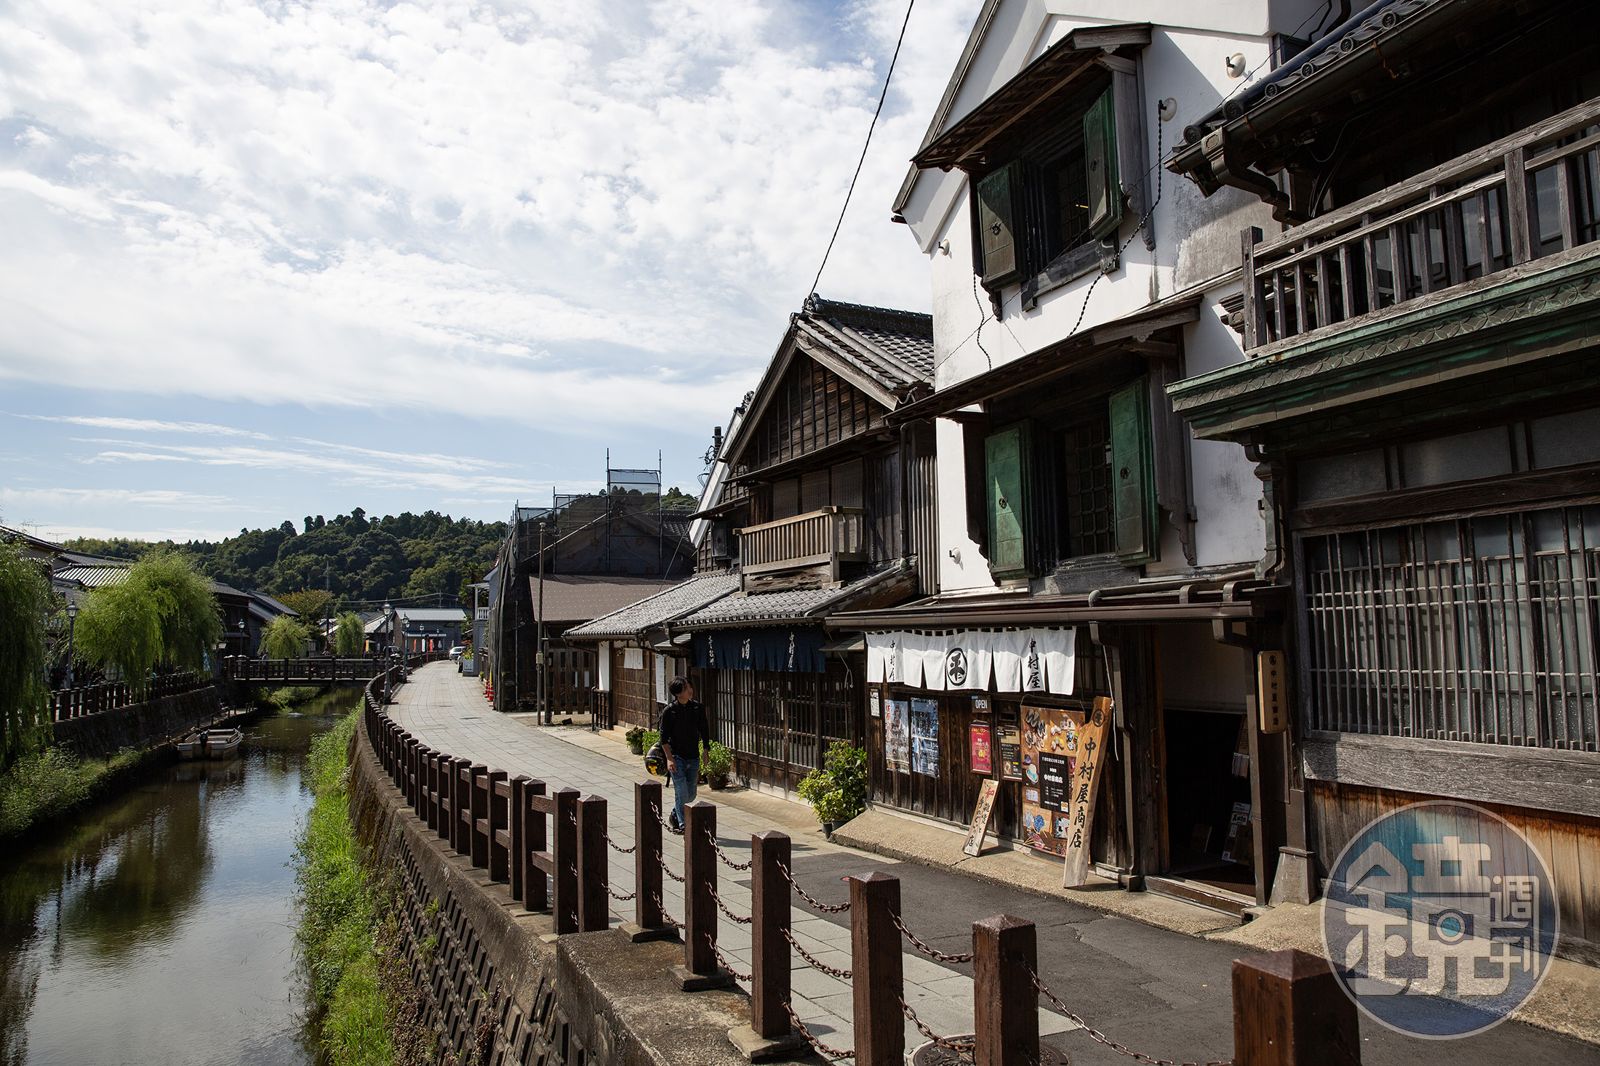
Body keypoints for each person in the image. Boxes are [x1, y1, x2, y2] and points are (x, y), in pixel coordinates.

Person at [657, 676, 710, 833]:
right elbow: (663, 738)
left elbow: (704, 730)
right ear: (678, 693)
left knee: (691, 794)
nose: (690, 690)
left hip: (693, 756)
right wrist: (669, 759)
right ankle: (683, 824)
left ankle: (675, 813)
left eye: (689, 687)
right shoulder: (670, 711)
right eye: (686, 688)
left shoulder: (697, 708)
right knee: (681, 791)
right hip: (676, 757)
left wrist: (705, 750)